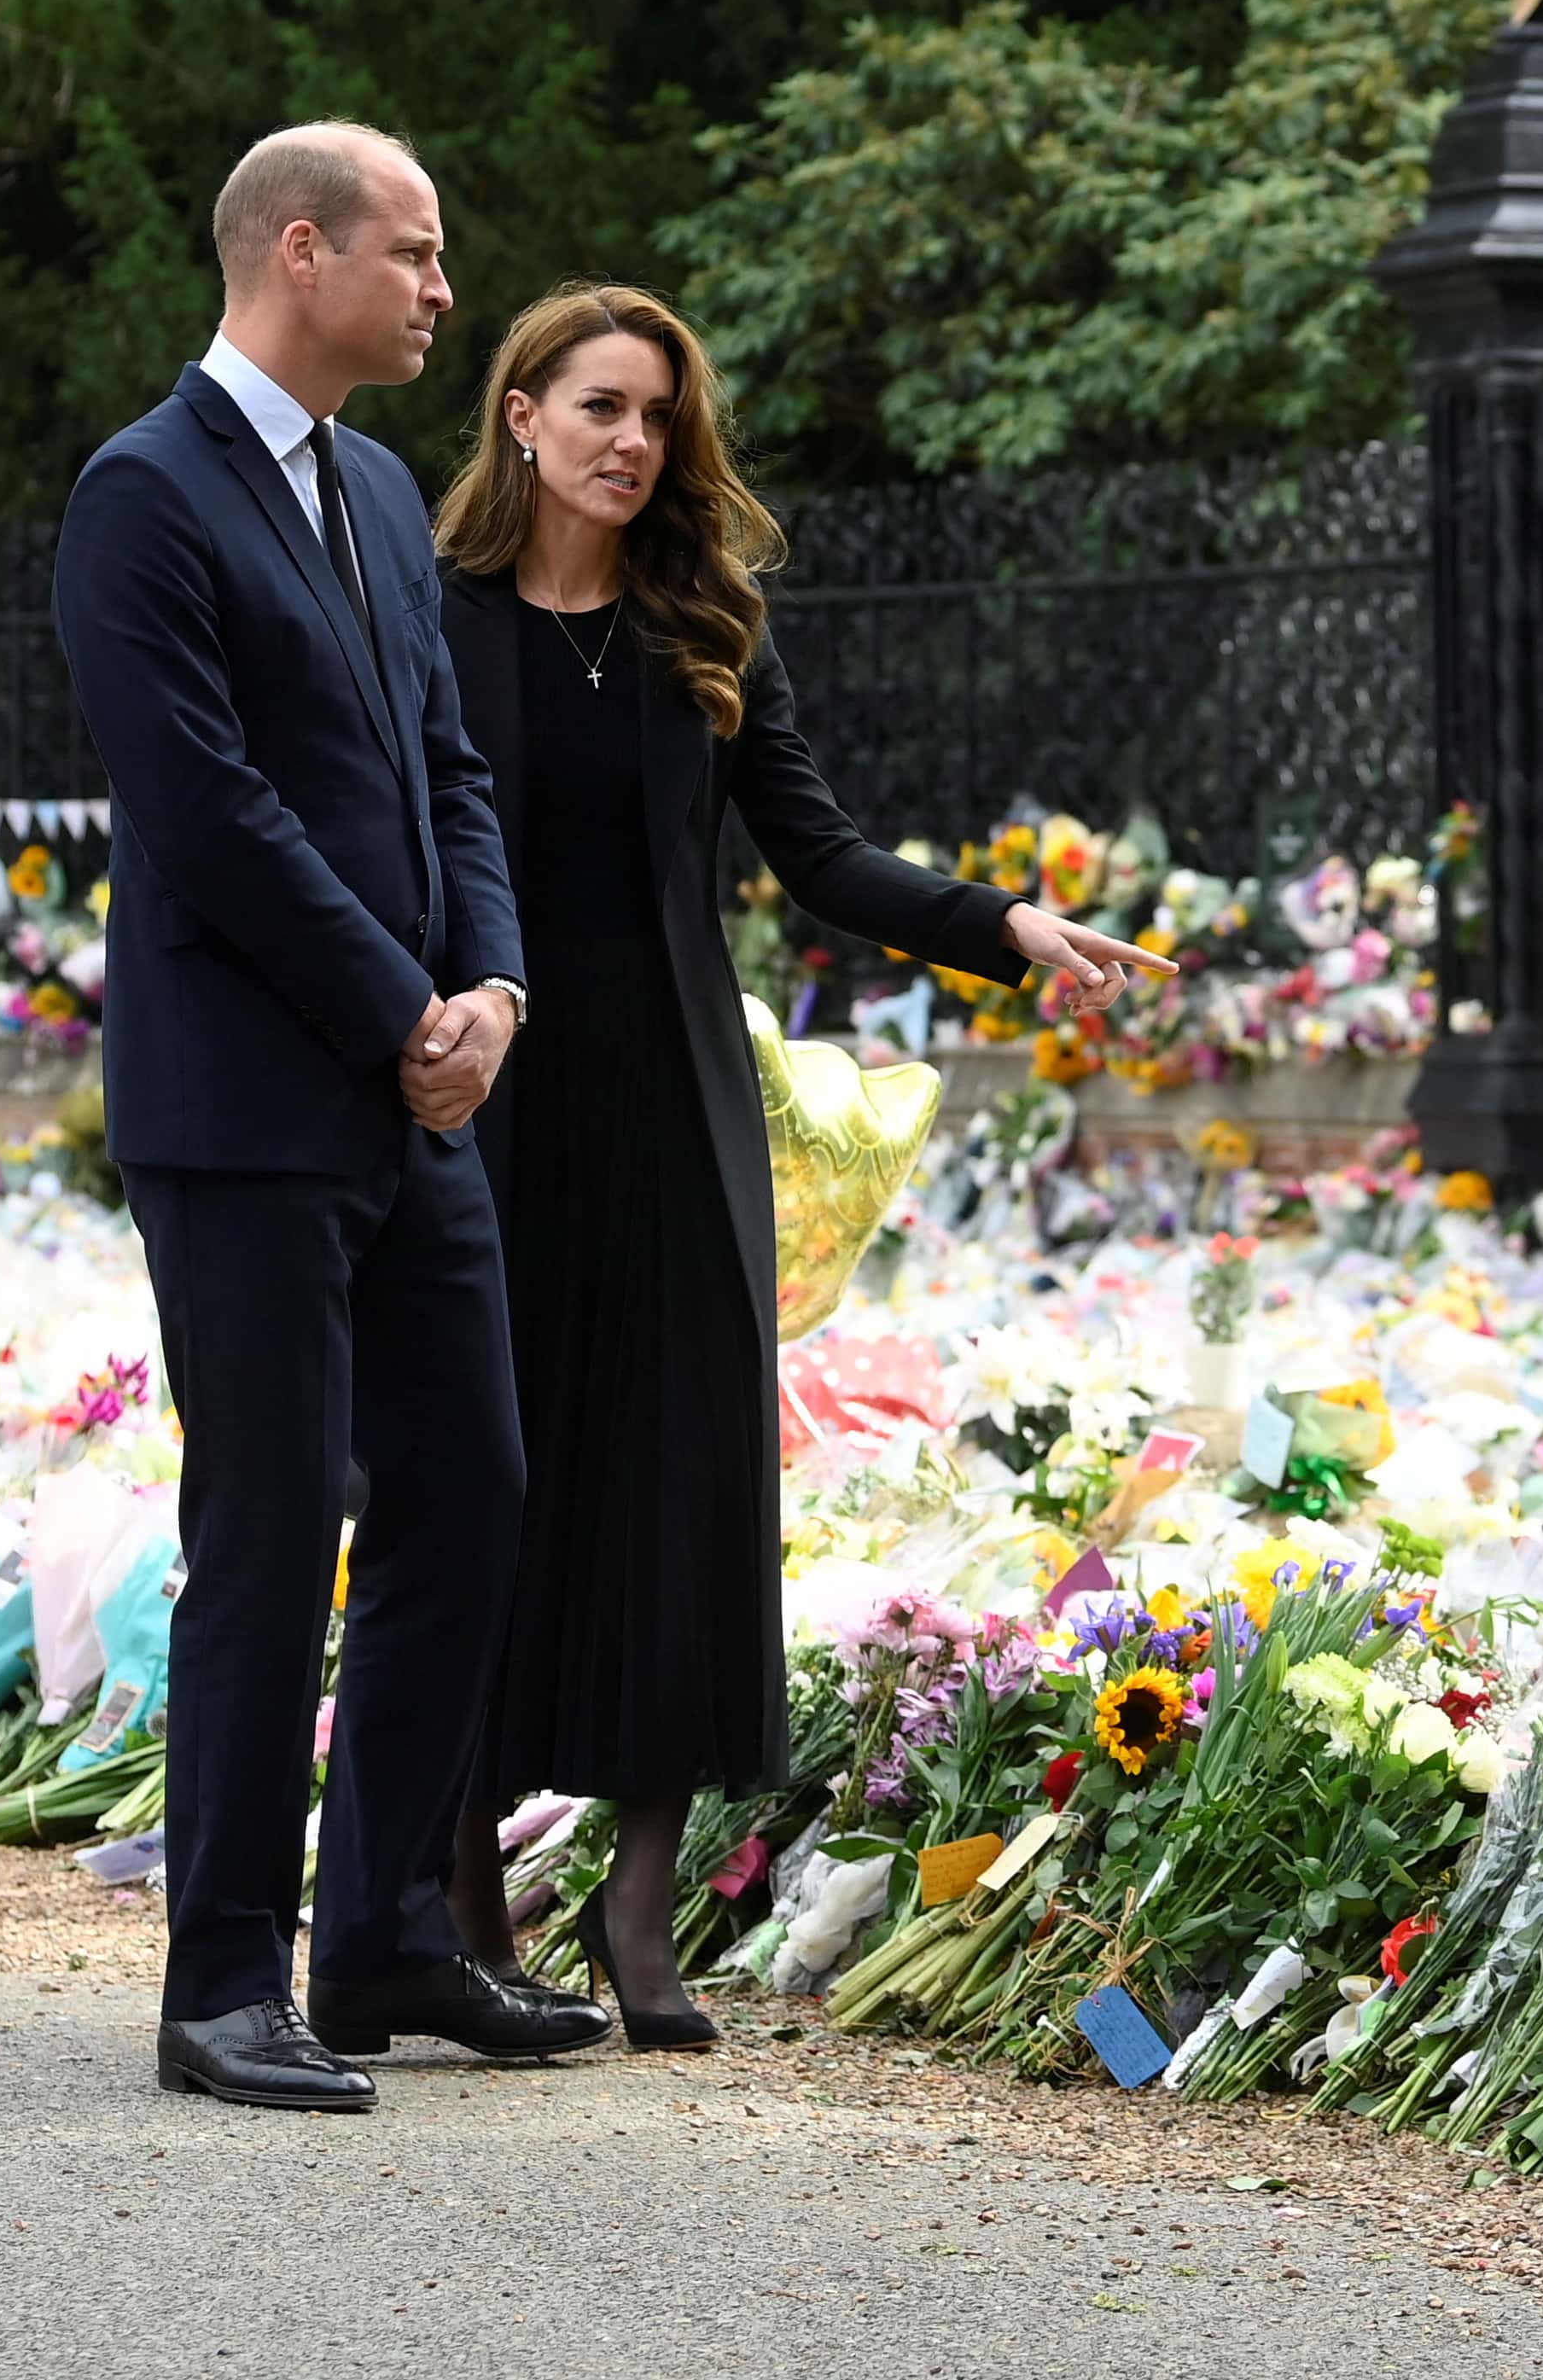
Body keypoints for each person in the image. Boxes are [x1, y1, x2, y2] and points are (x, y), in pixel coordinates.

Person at [429, 285, 1171, 2047]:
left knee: (682, 1488)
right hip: (490, 1107)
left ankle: (634, 1899)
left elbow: (822, 856)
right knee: (489, 1482)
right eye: (603, 405)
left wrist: (1005, 927)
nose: (634, 441)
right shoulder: (431, 618)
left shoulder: (710, 626)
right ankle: (458, 1899)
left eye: (661, 418)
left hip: (679, 1112)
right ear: (521, 414)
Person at [52, 123, 611, 2109]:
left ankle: (380, 1938)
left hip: (418, 1099)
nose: (445, 291)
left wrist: (495, 995)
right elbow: (212, 817)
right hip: (251, 1111)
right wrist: (403, 1014)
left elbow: (450, 772)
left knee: (471, 1496)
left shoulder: (376, 485)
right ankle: (222, 1983)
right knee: (273, 1531)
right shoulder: (142, 497)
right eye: (419, 254)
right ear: (303, 251)